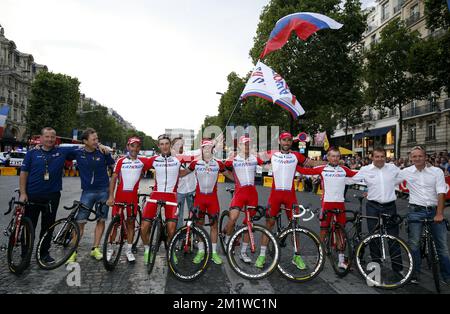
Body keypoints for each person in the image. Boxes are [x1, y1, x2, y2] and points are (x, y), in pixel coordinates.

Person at [256, 131, 325, 269]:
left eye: (289, 140)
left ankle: (296, 256)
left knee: (294, 226)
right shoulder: (272, 154)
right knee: (269, 224)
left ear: (291, 142)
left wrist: (328, 162)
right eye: (284, 140)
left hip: (290, 196)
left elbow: (311, 163)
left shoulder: (296, 155)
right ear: (280, 142)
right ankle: (262, 255)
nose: (286, 143)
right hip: (275, 195)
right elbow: (256, 157)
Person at [19, 127, 78, 263]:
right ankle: (24, 256)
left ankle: (44, 254)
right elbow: (23, 174)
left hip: (52, 196)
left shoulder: (61, 152)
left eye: (52, 137)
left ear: (55, 139)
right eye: (47, 136)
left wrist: (100, 145)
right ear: (41, 138)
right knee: (29, 226)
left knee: (48, 227)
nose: (50, 139)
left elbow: (84, 149)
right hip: (32, 195)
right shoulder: (31, 154)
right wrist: (23, 193)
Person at [295, 147, 356, 269]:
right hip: (327, 203)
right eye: (332, 156)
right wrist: (293, 162)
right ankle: (320, 256)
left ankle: (341, 260)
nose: (335, 158)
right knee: (323, 231)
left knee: (340, 232)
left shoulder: (344, 169)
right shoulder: (322, 168)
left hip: (340, 204)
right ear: (327, 157)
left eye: (337, 156)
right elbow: (305, 171)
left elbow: (358, 174)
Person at [347, 147, 404, 273]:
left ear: (385, 157)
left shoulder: (392, 168)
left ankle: (398, 268)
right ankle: (376, 265)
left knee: (393, 237)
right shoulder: (365, 169)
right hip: (373, 206)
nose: (379, 159)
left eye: (382, 156)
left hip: (390, 206)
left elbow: (402, 177)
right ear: (372, 157)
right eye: (377, 156)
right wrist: (335, 177)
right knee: (373, 236)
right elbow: (351, 180)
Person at [399, 146, 450, 284]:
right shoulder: (406, 172)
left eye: (420, 156)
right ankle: (414, 274)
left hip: (434, 211)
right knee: (414, 245)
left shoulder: (436, 172)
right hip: (415, 211)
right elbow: (387, 180)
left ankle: (447, 276)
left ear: (425, 157)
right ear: (410, 158)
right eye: (414, 156)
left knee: (442, 247)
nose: (417, 158)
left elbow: (441, 192)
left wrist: (439, 213)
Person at [67, 128, 115, 263]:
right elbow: (58, 151)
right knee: (80, 222)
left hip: (103, 191)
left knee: (101, 220)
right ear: (85, 141)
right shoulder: (77, 152)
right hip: (87, 192)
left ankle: (95, 248)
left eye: (97, 139)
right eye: (94, 139)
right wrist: (39, 146)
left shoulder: (103, 152)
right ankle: (73, 251)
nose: (96, 141)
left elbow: (114, 167)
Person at [181, 139, 231, 264]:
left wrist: (244, 181)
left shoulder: (218, 163)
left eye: (209, 148)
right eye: (205, 147)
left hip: (212, 198)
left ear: (212, 149)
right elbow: (182, 173)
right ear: (202, 149)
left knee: (214, 225)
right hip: (200, 198)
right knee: (199, 226)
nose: (207, 150)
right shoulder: (195, 163)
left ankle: (213, 253)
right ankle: (201, 251)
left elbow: (230, 175)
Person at [140, 134, 185, 264]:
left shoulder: (177, 160)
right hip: (156, 194)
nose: (164, 146)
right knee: (144, 227)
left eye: (166, 144)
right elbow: (136, 160)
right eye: (162, 144)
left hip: (171, 196)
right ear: (158, 146)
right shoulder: (154, 160)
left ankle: (170, 251)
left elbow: (191, 165)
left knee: (171, 229)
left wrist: (190, 170)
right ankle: (147, 250)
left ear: (170, 145)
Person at [106, 136, 151, 262]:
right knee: (114, 225)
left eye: (137, 146)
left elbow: (157, 161)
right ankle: (110, 248)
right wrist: (111, 196)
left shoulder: (142, 161)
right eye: (132, 146)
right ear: (128, 147)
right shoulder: (120, 161)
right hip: (119, 197)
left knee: (131, 223)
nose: (134, 149)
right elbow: (114, 179)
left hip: (132, 198)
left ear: (139, 148)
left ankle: (129, 250)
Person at [223, 135, 264, 263]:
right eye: (244, 144)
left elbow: (268, 164)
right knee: (233, 217)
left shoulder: (255, 158)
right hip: (240, 193)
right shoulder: (233, 159)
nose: (246, 146)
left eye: (248, 144)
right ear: (239, 146)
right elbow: (222, 168)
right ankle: (227, 241)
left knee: (249, 224)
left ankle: (243, 252)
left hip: (252, 193)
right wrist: (233, 178)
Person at [171, 137, 196, 230]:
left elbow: (202, 151)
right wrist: (191, 168)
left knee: (193, 215)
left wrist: (216, 141)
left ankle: (193, 237)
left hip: (192, 189)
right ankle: (179, 239)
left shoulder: (189, 154)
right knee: (178, 216)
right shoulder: (171, 158)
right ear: (173, 146)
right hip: (179, 191)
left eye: (181, 144)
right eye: (177, 144)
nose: (179, 146)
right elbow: (180, 174)